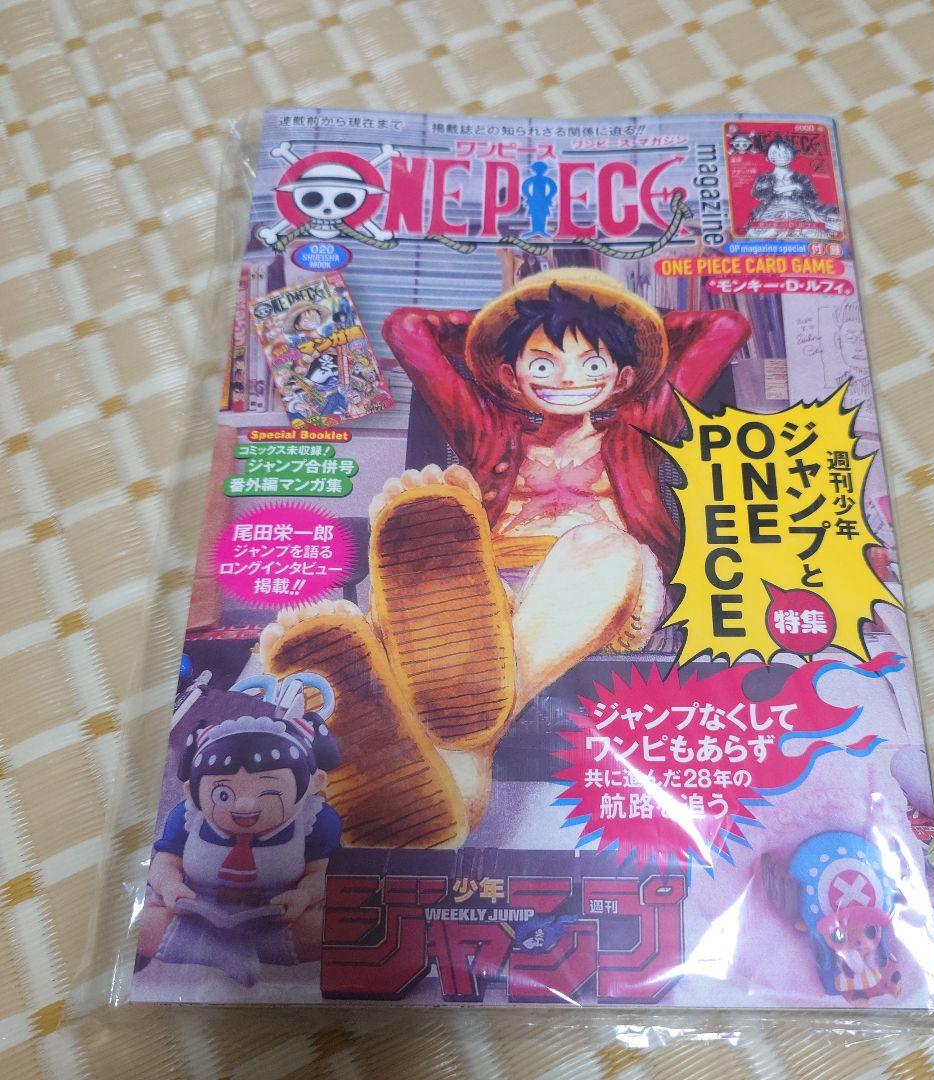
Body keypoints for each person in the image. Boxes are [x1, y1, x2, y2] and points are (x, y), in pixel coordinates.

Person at [259, 269, 749, 842]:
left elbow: (726, 325)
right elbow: (406, 328)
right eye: (543, 364)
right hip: (483, 593)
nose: (568, 378)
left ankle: (446, 735)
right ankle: (452, 761)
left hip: (597, 589)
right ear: (511, 377)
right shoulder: (489, 432)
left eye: (591, 363)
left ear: (622, 377)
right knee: (442, 558)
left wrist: (610, 319)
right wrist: (503, 327)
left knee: (600, 545)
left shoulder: (643, 426)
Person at [137, 677, 342, 978]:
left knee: (329, 929)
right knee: (140, 924)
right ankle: (216, 951)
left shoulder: (316, 820)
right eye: (224, 794)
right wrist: (170, 886)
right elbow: (165, 861)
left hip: (277, 915)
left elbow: (321, 873)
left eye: (268, 792)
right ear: (191, 791)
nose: (244, 806)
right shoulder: (187, 817)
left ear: (314, 784)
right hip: (195, 911)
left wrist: (304, 896)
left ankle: (238, 950)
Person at [745, 136, 841, 239]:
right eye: (774, 153)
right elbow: (758, 193)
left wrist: (798, 187)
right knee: (761, 231)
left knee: (809, 230)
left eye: (785, 152)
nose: (780, 156)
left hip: (797, 207)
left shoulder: (801, 177)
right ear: (767, 157)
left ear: (793, 155)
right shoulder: (765, 177)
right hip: (773, 208)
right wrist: (788, 188)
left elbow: (812, 196)